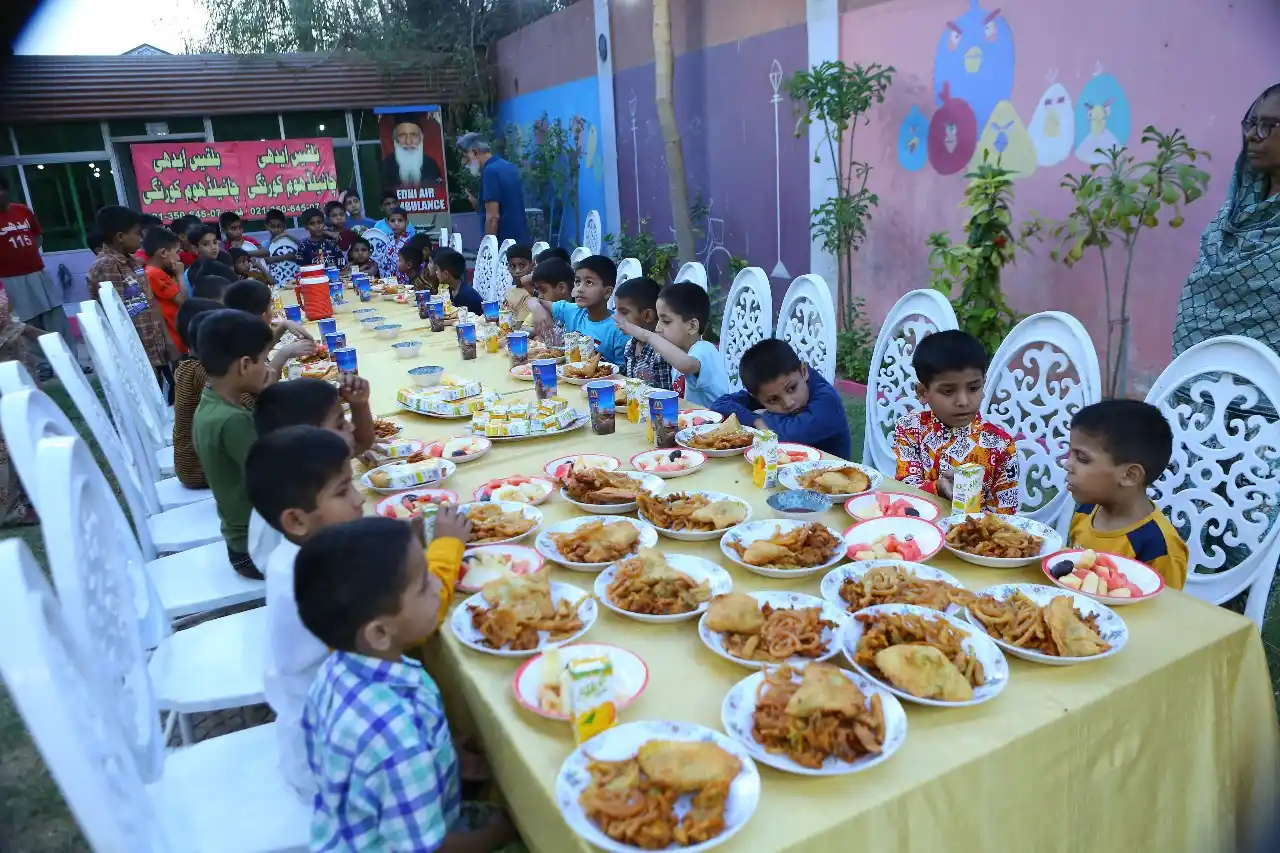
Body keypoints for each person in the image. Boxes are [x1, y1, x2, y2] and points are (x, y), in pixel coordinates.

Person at [295, 516, 520, 853]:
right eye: (423, 586)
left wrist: (442, 755)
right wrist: (509, 830)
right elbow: (431, 849)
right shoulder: (397, 737)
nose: (438, 584)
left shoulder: (335, 673)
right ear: (380, 633)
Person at [245, 426, 365, 801]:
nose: (360, 500)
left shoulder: (298, 554)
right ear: (296, 521)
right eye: (343, 491)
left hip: (325, 724)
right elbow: (404, 628)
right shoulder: (316, 580)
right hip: (335, 760)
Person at [1174, 82, 1280, 359]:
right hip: (1189, 379)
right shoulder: (1235, 209)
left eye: (1268, 125)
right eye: (1251, 123)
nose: (1252, 136)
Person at [891, 329, 1020, 513]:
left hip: (975, 539)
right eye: (948, 391)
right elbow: (905, 490)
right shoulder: (910, 429)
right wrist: (938, 488)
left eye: (973, 388)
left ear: (984, 384)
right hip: (918, 531)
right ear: (922, 392)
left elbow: (1005, 517)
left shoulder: (1000, 446)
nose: (963, 401)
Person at [1066, 400, 1189, 589]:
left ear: (1129, 475)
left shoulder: (1158, 547)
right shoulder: (1086, 511)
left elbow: (1165, 613)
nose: (1068, 465)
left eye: (1082, 458)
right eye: (1070, 453)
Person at [191, 309, 275, 579]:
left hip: (243, 540)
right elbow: (280, 480)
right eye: (265, 360)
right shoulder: (233, 422)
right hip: (256, 549)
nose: (268, 367)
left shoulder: (211, 402)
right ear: (245, 365)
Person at [711, 338, 852, 459]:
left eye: (792, 388)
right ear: (756, 398)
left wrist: (765, 417)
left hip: (833, 482)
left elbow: (793, 434)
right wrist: (756, 420)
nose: (788, 403)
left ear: (804, 372)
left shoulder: (828, 400)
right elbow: (719, 405)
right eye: (773, 400)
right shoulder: (770, 390)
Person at [86, 205, 175, 383]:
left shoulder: (134, 263)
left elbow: (151, 301)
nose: (141, 239)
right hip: (133, 353)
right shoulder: (107, 266)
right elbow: (114, 313)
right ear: (120, 236)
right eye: (137, 233)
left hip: (153, 348)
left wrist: (167, 339)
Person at [0, 175, 75, 378]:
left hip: (37, 272)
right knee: (27, 323)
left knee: (55, 317)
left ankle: (69, 360)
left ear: (6, 190)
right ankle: (43, 366)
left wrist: (27, 252)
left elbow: (37, 236)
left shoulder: (22, 211)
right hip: (10, 279)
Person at [172, 298, 249, 489]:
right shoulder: (204, 372)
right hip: (200, 470)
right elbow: (249, 408)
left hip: (189, 464)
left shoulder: (187, 366)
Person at [614, 280, 727, 406]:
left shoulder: (704, 350)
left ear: (692, 326)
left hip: (722, 421)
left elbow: (684, 364)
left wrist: (647, 335)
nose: (657, 328)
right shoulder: (677, 352)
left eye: (666, 321)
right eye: (659, 320)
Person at [0, 282, 51, 523]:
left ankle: (26, 492)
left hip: (13, 359)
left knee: (25, 424)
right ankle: (10, 509)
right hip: (4, 367)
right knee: (6, 434)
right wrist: (34, 333)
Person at [527, 255, 626, 365]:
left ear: (607, 292)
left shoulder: (619, 328)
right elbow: (534, 300)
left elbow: (622, 374)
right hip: (570, 376)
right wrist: (537, 309)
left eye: (589, 283)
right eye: (578, 282)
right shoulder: (573, 311)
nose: (579, 289)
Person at [254, 376, 375, 457]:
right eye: (340, 425)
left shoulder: (322, 457)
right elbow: (360, 444)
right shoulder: (305, 487)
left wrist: (359, 404)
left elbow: (361, 443)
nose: (351, 427)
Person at [458, 132, 529, 244]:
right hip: (519, 242)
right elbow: (507, 205)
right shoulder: (507, 166)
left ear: (475, 152)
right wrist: (478, 205)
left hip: (503, 246)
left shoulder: (490, 172)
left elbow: (493, 218)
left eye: (465, 156)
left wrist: (488, 249)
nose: (463, 162)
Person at [613, 276, 672, 390]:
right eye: (617, 311)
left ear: (647, 316)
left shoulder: (660, 353)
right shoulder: (631, 345)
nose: (617, 318)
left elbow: (666, 396)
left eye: (624, 312)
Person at [142, 226, 187, 356]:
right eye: (177, 252)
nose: (179, 258)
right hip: (174, 336)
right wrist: (180, 274)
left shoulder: (149, 272)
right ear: (163, 253)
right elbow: (183, 302)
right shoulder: (156, 274)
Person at [382, 118, 445, 190]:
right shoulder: (387, 165)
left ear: (421, 137)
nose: (408, 141)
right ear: (394, 138)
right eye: (402, 135)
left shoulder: (431, 164)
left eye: (414, 135)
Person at [528, 257, 573, 347]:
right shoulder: (545, 308)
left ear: (561, 288)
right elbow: (531, 300)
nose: (540, 296)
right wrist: (536, 307)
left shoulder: (574, 313)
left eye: (543, 290)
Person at [435, 247, 484, 315]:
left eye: (437, 270)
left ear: (446, 274)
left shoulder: (466, 296)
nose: (436, 272)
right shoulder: (451, 289)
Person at [501, 244, 535, 324]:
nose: (517, 271)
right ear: (508, 268)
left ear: (532, 265)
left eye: (522, 265)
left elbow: (520, 327)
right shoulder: (510, 290)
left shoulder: (529, 294)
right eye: (513, 266)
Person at [377, 207, 413, 281]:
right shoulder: (387, 241)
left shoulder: (411, 241)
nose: (396, 224)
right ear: (388, 223)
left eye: (400, 220)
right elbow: (383, 265)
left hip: (408, 284)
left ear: (406, 222)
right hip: (389, 284)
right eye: (392, 221)